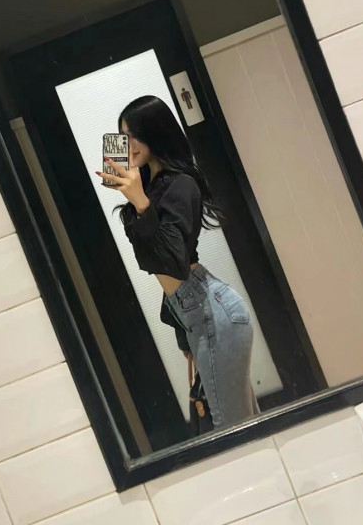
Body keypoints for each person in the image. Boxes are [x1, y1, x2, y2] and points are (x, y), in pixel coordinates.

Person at [96, 95, 259, 428]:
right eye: (123, 136)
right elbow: (153, 261)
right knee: (236, 421)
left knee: (233, 426)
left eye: (135, 134)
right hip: (196, 311)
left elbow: (173, 260)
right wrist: (184, 334)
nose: (129, 144)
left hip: (213, 310)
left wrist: (141, 204)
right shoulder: (151, 188)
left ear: (156, 133)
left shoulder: (181, 184)